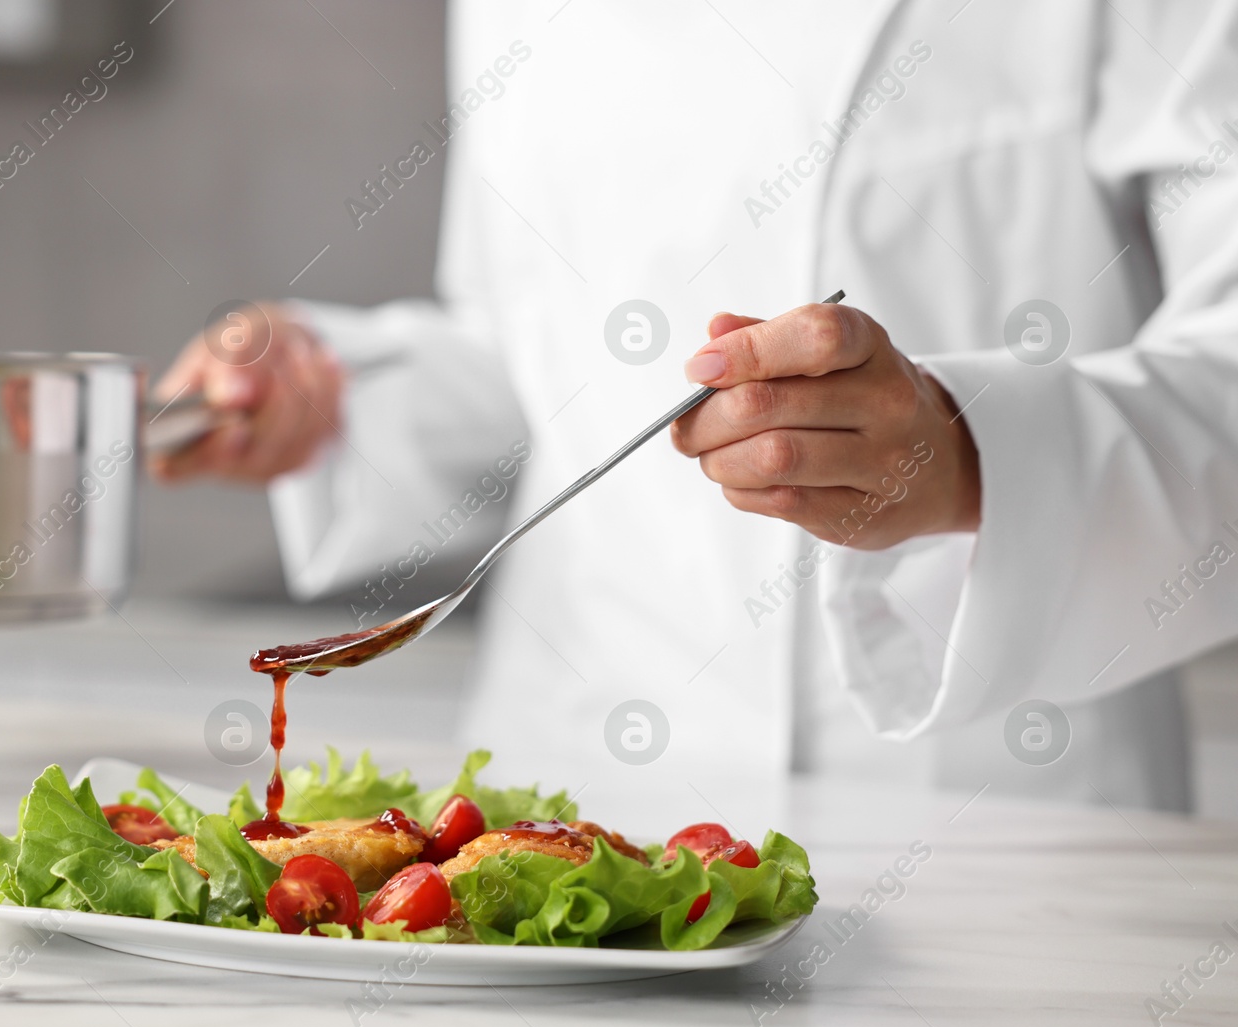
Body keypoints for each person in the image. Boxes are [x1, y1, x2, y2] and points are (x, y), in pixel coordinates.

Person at [153, 1, 1238, 813]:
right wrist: (342, 398)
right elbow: (539, 353)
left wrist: (973, 456)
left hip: (991, 815)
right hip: (566, 794)